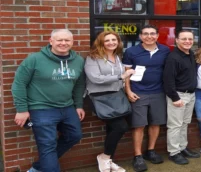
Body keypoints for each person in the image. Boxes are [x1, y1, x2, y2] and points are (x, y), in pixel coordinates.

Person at [12, 29, 85, 172]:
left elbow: (79, 85)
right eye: (59, 40)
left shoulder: (78, 61)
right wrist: (21, 109)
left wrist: (79, 105)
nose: (63, 43)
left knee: (74, 136)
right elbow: (19, 84)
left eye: (67, 40)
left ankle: (39, 167)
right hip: (41, 109)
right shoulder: (35, 59)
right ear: (51, 41)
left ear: (72, 42)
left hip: (67, 107)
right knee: (47, 145)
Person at [85, 31, 136, 172]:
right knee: (120, 127)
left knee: (112, 129)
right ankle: (104, 157)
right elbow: (95, 78)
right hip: (100, 97)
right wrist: (121, 76)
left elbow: (122, 78)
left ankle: (108, 160)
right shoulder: (93, 57)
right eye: (107, 40)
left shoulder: (117, 56)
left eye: (114, 39)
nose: (111, 42)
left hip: (117, 96)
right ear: (101, 42)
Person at [122, 24, 170, 172]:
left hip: (158, 92)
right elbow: (127, 74)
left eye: (152, 34)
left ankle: (151, 151)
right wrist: (128, 91)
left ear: (157, 36)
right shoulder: (131, 52)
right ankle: (137, 156)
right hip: (138, 93)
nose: (149, 36)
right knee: (139, 125)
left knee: (155, 123)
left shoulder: (165, 50)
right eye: (146, 34)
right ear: (141, 36)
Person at [163, 30, 200, 165]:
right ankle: (174, 152)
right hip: (179, 96)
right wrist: (175, 98)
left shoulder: (190, 54)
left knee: (184, 123)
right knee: (175, 125)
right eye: (183, 39)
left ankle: (182, 147)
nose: (187, 41)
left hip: (190, 95)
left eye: (190, 39)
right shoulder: (173, 58)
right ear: (176, 40)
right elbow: (168, 80)